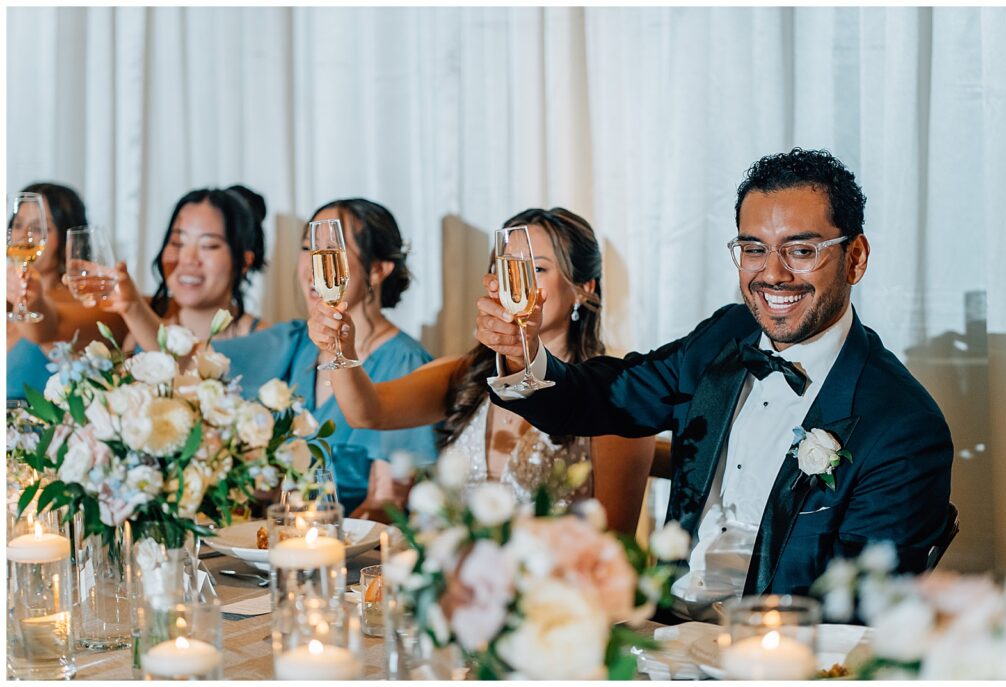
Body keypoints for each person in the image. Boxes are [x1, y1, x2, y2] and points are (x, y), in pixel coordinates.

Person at [474, 149, 953, 614]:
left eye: (801, 250)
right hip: (659, 637)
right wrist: (526, 356)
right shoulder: (725, 336)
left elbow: (861, 617)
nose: (773, 274)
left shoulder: (902, 425)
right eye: (753, 249)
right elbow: (609, 395)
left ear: (855, 258)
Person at [307, 208, 656, 535]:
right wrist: (343, 348)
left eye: (537, 269)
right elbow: (367, 412)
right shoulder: (466, 374)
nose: (517, 283)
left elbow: (614, 547)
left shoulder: (613, 397)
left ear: (583, 288)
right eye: (507, 268)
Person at [214, 198, 438, 516]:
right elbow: (195, 358)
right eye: (308, 249)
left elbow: (387, 505)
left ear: (378, 269)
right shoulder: (295, 342)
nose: (315, 266)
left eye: (334, 250)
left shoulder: (404, 363)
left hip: (353, 554)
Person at [103, 187, 269, 351]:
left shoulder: (263, 342)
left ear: (244, 263)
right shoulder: (137, 338)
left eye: (209, 245)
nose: (188, 259)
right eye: (177, 243)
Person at [7, 182, 127, 399]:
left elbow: (48, 326)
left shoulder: (88, 303)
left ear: (66, 237)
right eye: (18, 225)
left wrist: (32, 298)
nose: (24, 236)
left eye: (38, 228)